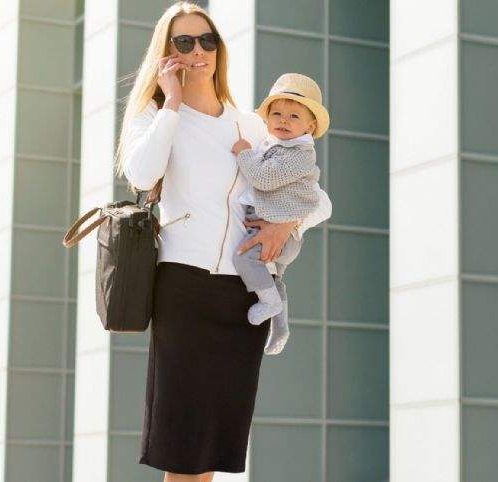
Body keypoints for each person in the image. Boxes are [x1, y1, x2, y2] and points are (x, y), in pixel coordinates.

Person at [114, 3, 331, 481]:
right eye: (184, 42)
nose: (198, 51)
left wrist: (282, 228)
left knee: (213, 454)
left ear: (219, 49)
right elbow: (141, 173)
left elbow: (317, 201)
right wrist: (171, 102)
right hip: (183, 292)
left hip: (239, 299)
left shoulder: (251, 126)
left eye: (207, 40)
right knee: (182, 451)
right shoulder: (153, 116)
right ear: (165, 53)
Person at [230, 72, 331, 356]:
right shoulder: (276, 145)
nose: (284, 120)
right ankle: (281, 327)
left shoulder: (300, 154)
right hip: (275, 232)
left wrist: (244, 154)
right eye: (277, 114)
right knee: (274, 281)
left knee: (244, 258)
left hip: (281, 236)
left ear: (310, 127)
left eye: (294, 116)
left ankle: (270, 305)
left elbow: (264, 178)